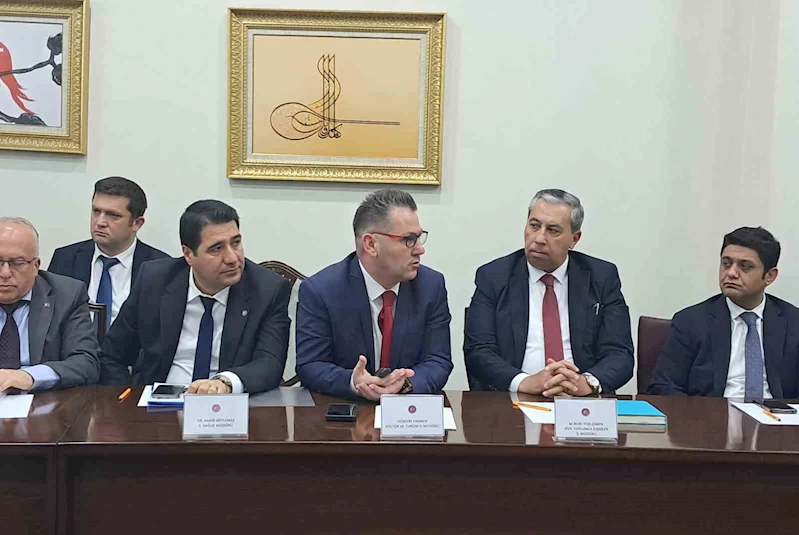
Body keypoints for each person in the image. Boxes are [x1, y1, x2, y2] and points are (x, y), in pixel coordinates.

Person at [99, 200, 290, 394]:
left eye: (236, 243)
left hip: (228, 402)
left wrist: (226, 382)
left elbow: (270, 364)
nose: (232, 258)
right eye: (216, 248)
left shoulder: (268, 289)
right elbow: (112, 355)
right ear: (188, 254)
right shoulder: (154, 280)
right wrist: (127, 400)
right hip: (158, 403)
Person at [464, 189, 634, 396]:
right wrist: (524, 382)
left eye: (553, 230)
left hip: (581, 399)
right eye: (534, 226)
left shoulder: (602, 277)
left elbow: (620, 353)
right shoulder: (494, 276)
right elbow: (478, 351)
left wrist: (586, 383)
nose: (539, 238)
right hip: (515, 398)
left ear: (574, 238)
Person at [296, 189, 453, 400]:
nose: (419, 250)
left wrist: (404, 385)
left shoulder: (431, 286)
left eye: (419, 238)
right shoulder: (321, 291)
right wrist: (354, 382)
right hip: (345, 409)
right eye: (408, 239)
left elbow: (438, 360)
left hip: (407, 410)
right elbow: (311, 365)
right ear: (371, 244)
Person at [648, 227, 799, 397]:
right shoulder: (691, 321)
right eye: (726, 264)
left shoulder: (794, 322)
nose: (731, 273)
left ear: (769, 276)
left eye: (745, 267)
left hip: (776, 412)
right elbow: (663, 386)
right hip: (714, 412)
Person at [48, 176, 168, 328]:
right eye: (96, 211)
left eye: (113, 215)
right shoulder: (65, 258)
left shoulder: (160, 269)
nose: (100, 222)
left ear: (137, 223)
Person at [0, 217, 99, 391]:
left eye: (17, 263)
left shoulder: (67, 295)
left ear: (35, 266)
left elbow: (86, 362)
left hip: (42, 399)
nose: (5, 273)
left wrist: (29, 376)